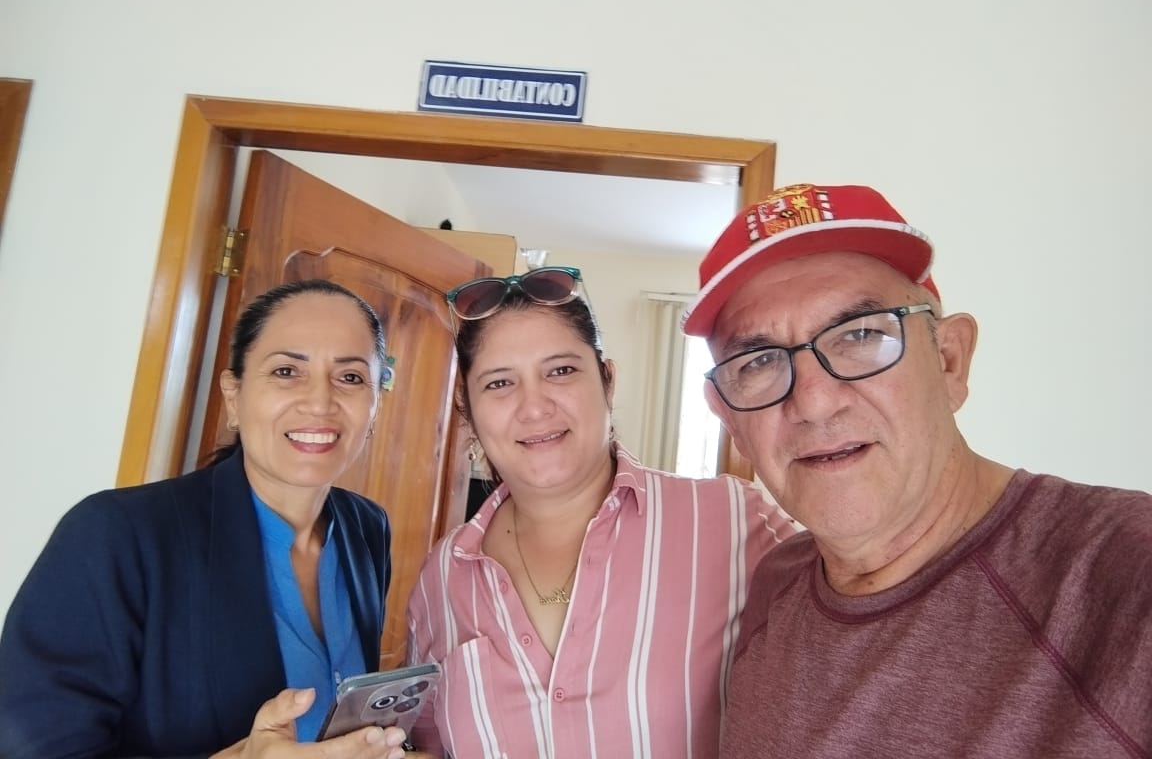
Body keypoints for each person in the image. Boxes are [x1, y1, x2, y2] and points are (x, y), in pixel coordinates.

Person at [680, 183, 1152, 757]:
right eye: (757, 362)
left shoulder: (1121, 573)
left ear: (950, 361)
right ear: (729, 419)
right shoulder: (774, 586)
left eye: (860, 335)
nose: (815, 402)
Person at [0, 279, 411, 759]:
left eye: (351, 378)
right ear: (233, 397)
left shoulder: (367, 529)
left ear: (375, 406)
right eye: (286, 371)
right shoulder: (115, 535)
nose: (320, 402)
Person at [404, 266, 797, 758]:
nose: (534, 407)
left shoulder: (731, 521)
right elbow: (426, 744)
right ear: (467, 406)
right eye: (499, 383)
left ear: (607, 380)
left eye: (561, 371)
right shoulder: (443, 576)